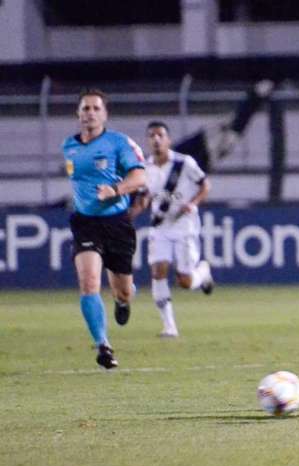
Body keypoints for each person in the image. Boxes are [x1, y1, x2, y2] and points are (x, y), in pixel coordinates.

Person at [62, 88, 146, 369]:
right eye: (85, 108)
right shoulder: (68, 146)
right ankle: (103, 346)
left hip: (117, 222)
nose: (90, 113)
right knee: (88, 282)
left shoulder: (119, 143)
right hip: (85, 223)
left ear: (105, 114)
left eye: (96, 108)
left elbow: (139, 175)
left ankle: (123, 300)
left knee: (122, 290)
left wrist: (116, 189)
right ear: (78, 113)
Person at [130, 121, 214, 338]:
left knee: (184, 281)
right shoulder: (145, 168)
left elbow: (205, 185)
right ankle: (169, 327)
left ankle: (202, 273)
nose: (156, 139)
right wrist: (129, 216)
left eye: (160, 135)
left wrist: (193, 203)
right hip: (160, 228)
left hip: (185, 226)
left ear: (168, 139)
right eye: (152, 136)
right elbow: (144, 198)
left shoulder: (184, 163)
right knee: (158, 271)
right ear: (148, 141)